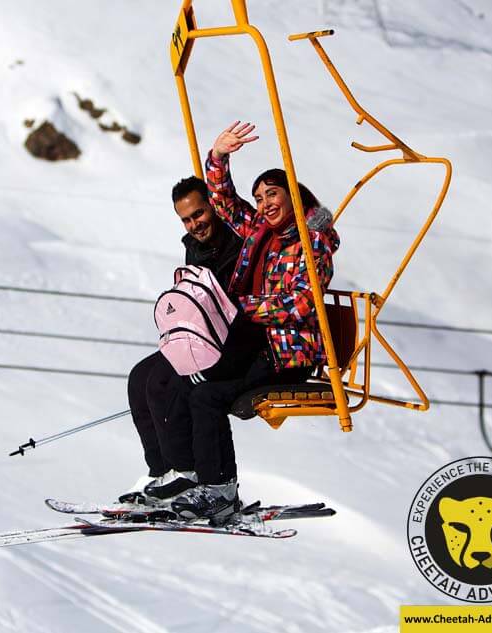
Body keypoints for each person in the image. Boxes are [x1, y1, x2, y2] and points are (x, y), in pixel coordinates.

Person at [162, 120, 341, 521]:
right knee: (195, 386)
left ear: (293, 196)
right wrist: (218, 157)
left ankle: (218, 490)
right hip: (259, 343)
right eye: (259, 197)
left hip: (289, 351)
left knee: (208, 394)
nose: (264, 204)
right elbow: (223, 202)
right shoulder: (262, 230)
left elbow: (301, 304)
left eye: (272, 194)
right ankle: (201, 482)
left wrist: (241, 306)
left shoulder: (312, 243)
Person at [121, 176, 244, 502]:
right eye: (186, 219)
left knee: (167, 380)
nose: (194, 224)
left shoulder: (237, 243)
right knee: (140, 378)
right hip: (206, 335)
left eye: (199, 214)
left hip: (235, 338)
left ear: (214, 207)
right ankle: (162, 469)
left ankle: (186, 469)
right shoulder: (195, 248)